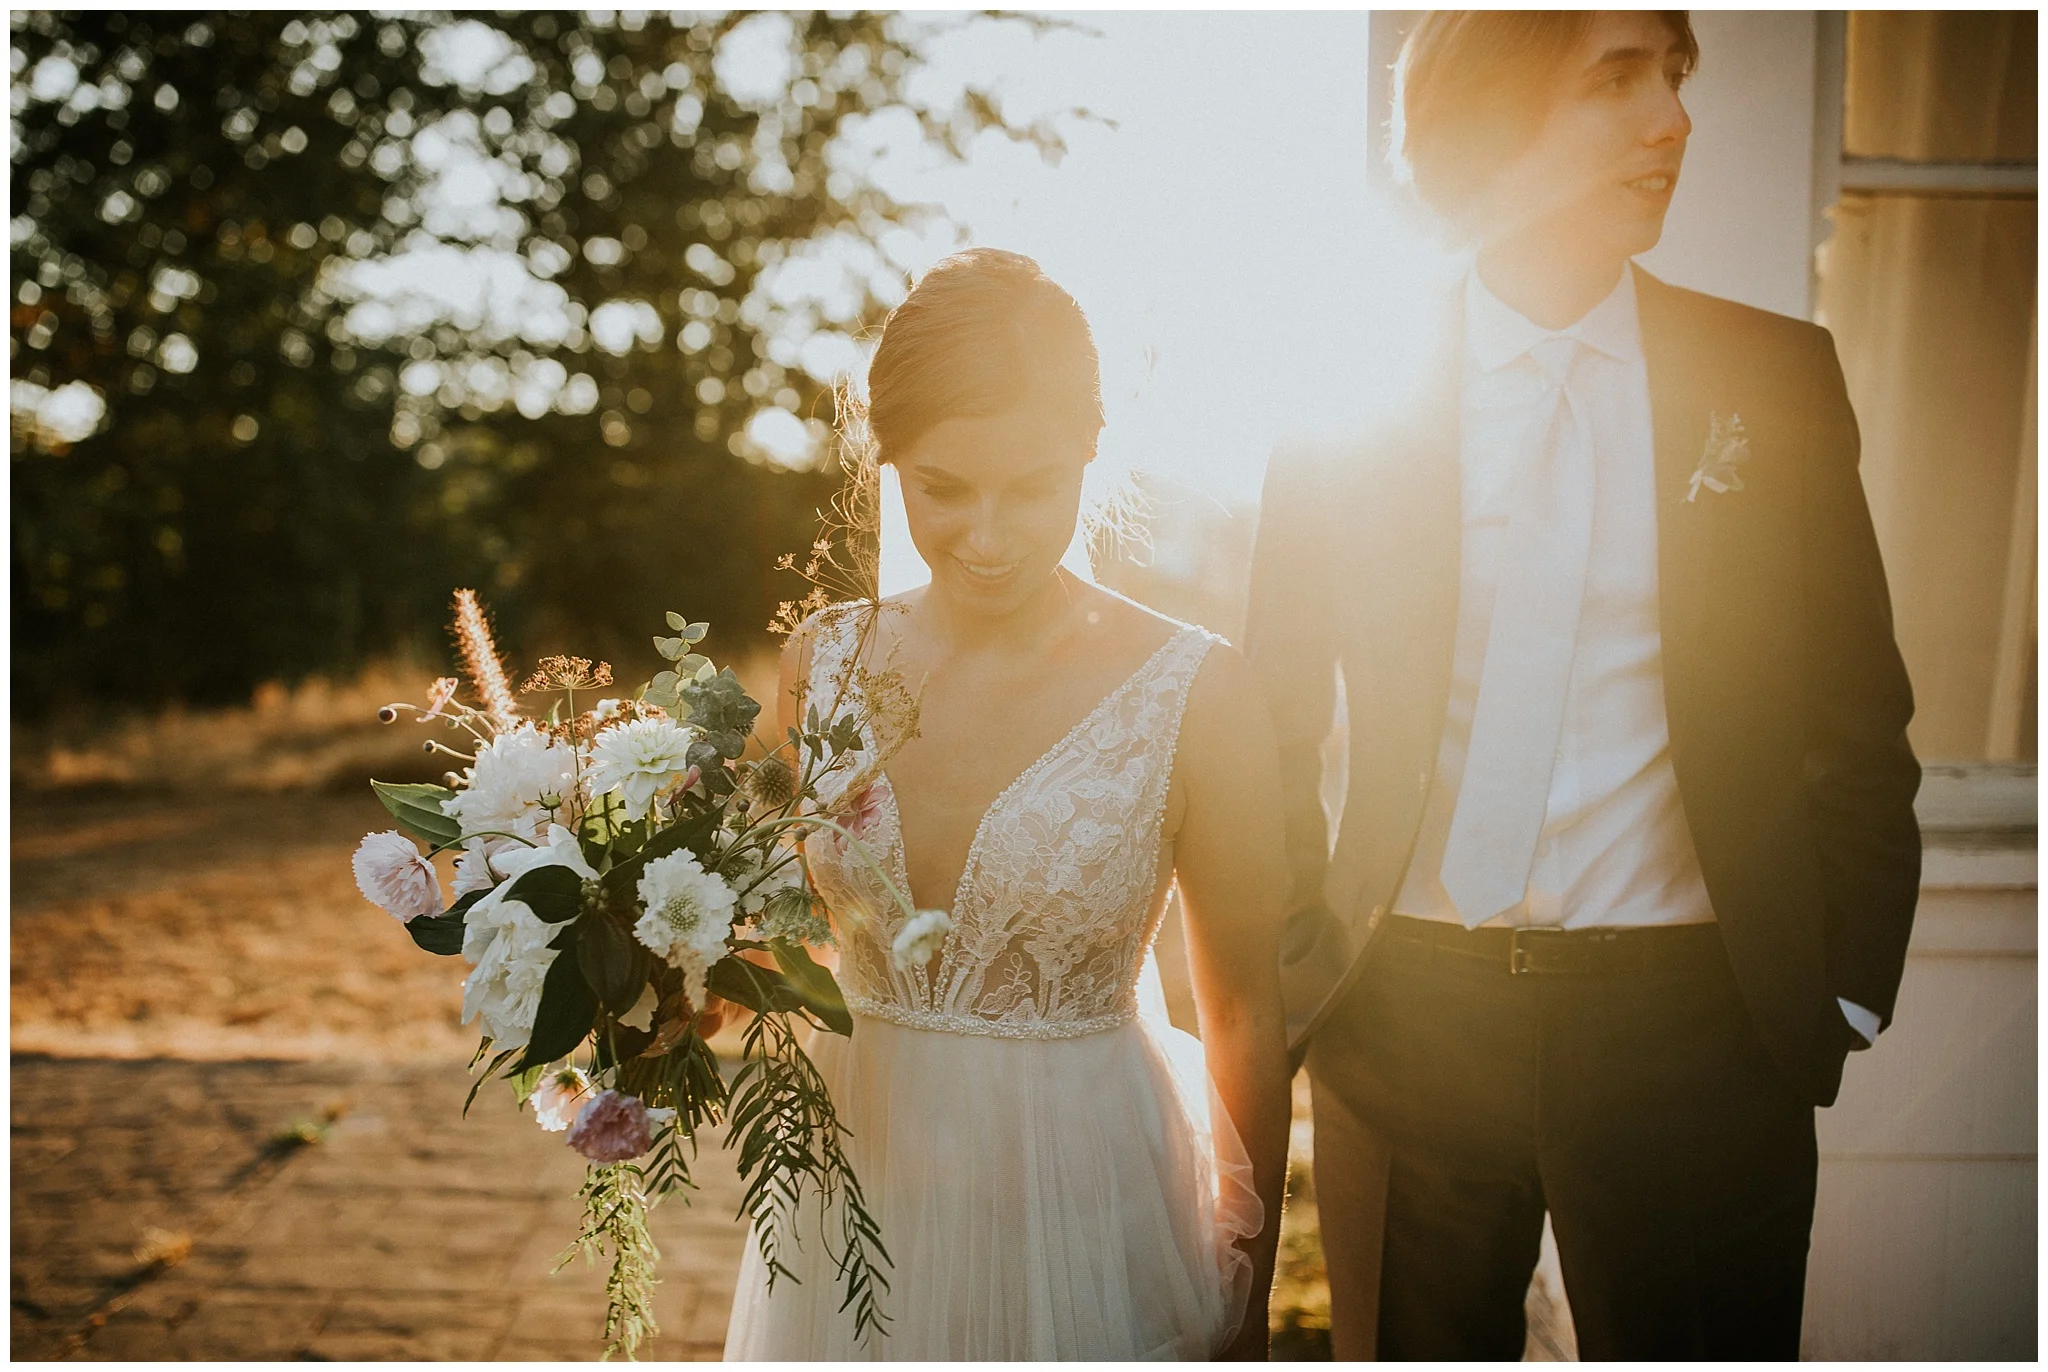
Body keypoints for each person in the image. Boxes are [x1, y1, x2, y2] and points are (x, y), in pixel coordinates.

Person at [1245, 11, 1921, 1360]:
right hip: (1407, 1025)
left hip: (1698, 1036)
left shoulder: (1774, 381)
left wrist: (1834, 994)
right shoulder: (1345, 391)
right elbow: (1272, 716)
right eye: (1616, 80)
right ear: (1489, 116)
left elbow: (1858, 720)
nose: (1671, 121)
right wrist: (1302, 975)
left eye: (1674, 78)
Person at [722, 248, 1292, 1360]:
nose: (985, 534)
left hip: (1084, 1210)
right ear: (889, 464)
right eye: (942, 489)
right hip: (857, 1201)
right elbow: (764, 933)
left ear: (1090, 450)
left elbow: (1242, 1017)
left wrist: (1248, 1285)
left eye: (1030, 487)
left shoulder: (1197, 691)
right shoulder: (822, 663)